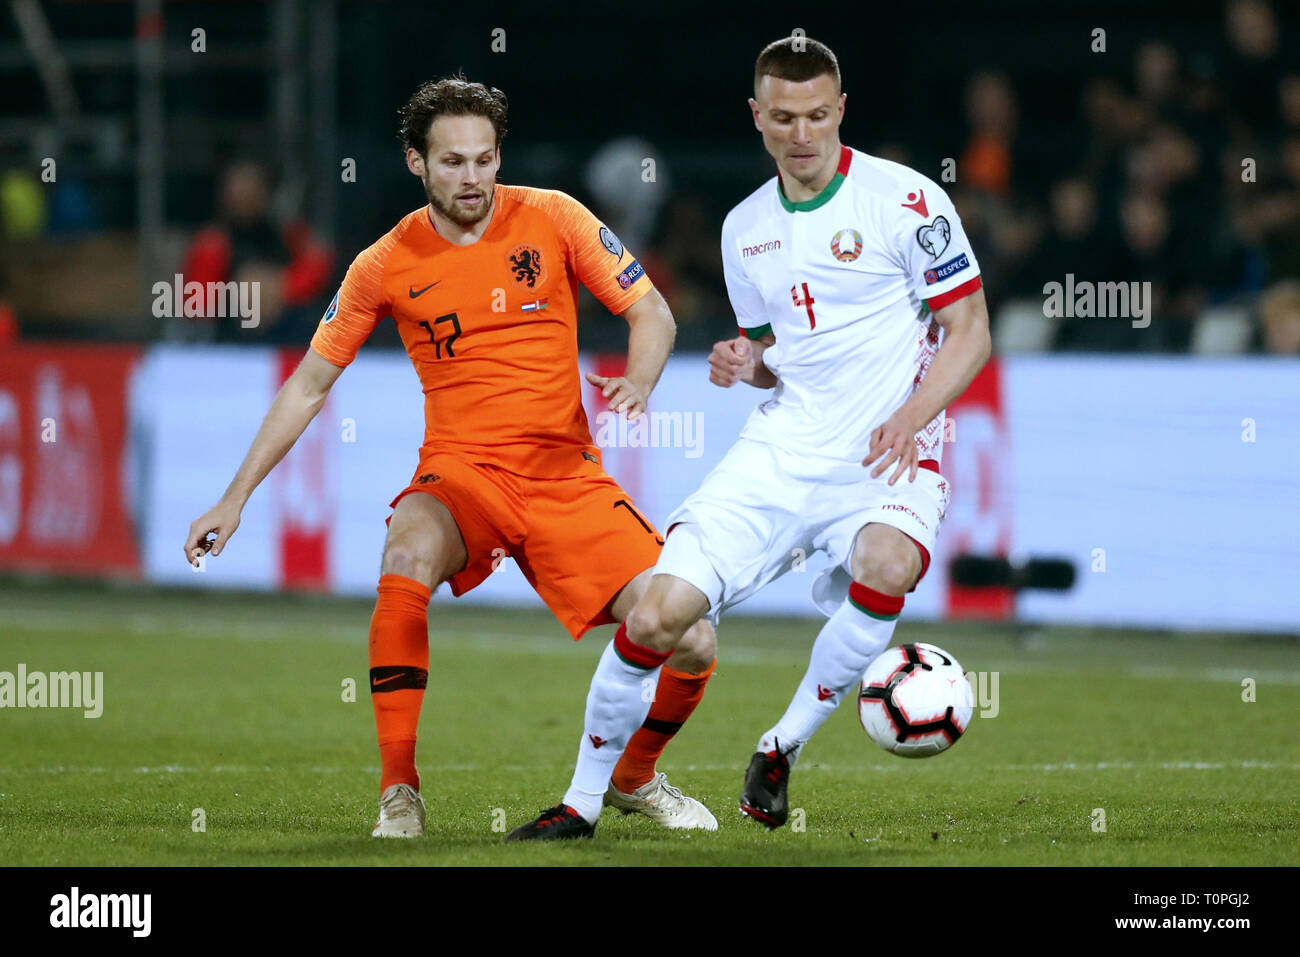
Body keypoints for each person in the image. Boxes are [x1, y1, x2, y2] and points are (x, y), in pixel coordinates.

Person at [184, 76, 718, 839]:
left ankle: (633, 776)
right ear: (416, 163)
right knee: (404, 551)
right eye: (452, 162)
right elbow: (308, 385)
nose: (471, 178)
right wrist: (234, 498)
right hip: (463, 475)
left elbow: (651, 311)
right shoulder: (384, 262)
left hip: (565, 476)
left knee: (694, 637)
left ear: (499, 155)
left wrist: (638, 380)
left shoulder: (556, 218)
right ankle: (400, 790)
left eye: (484, 159)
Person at [509, 36, 990, 840]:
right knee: (659, 617)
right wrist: (748, 362)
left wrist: (911, 415)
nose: (801, 134)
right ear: (757, 118)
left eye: (815, 116)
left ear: (840, 110)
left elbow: (969, 330)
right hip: (781, 452)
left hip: (885, 453)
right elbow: (778, 358)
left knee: (888, 562)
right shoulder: (744, 229)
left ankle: (780, 746)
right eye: (783, 118)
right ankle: (581, 803)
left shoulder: (906, 201)